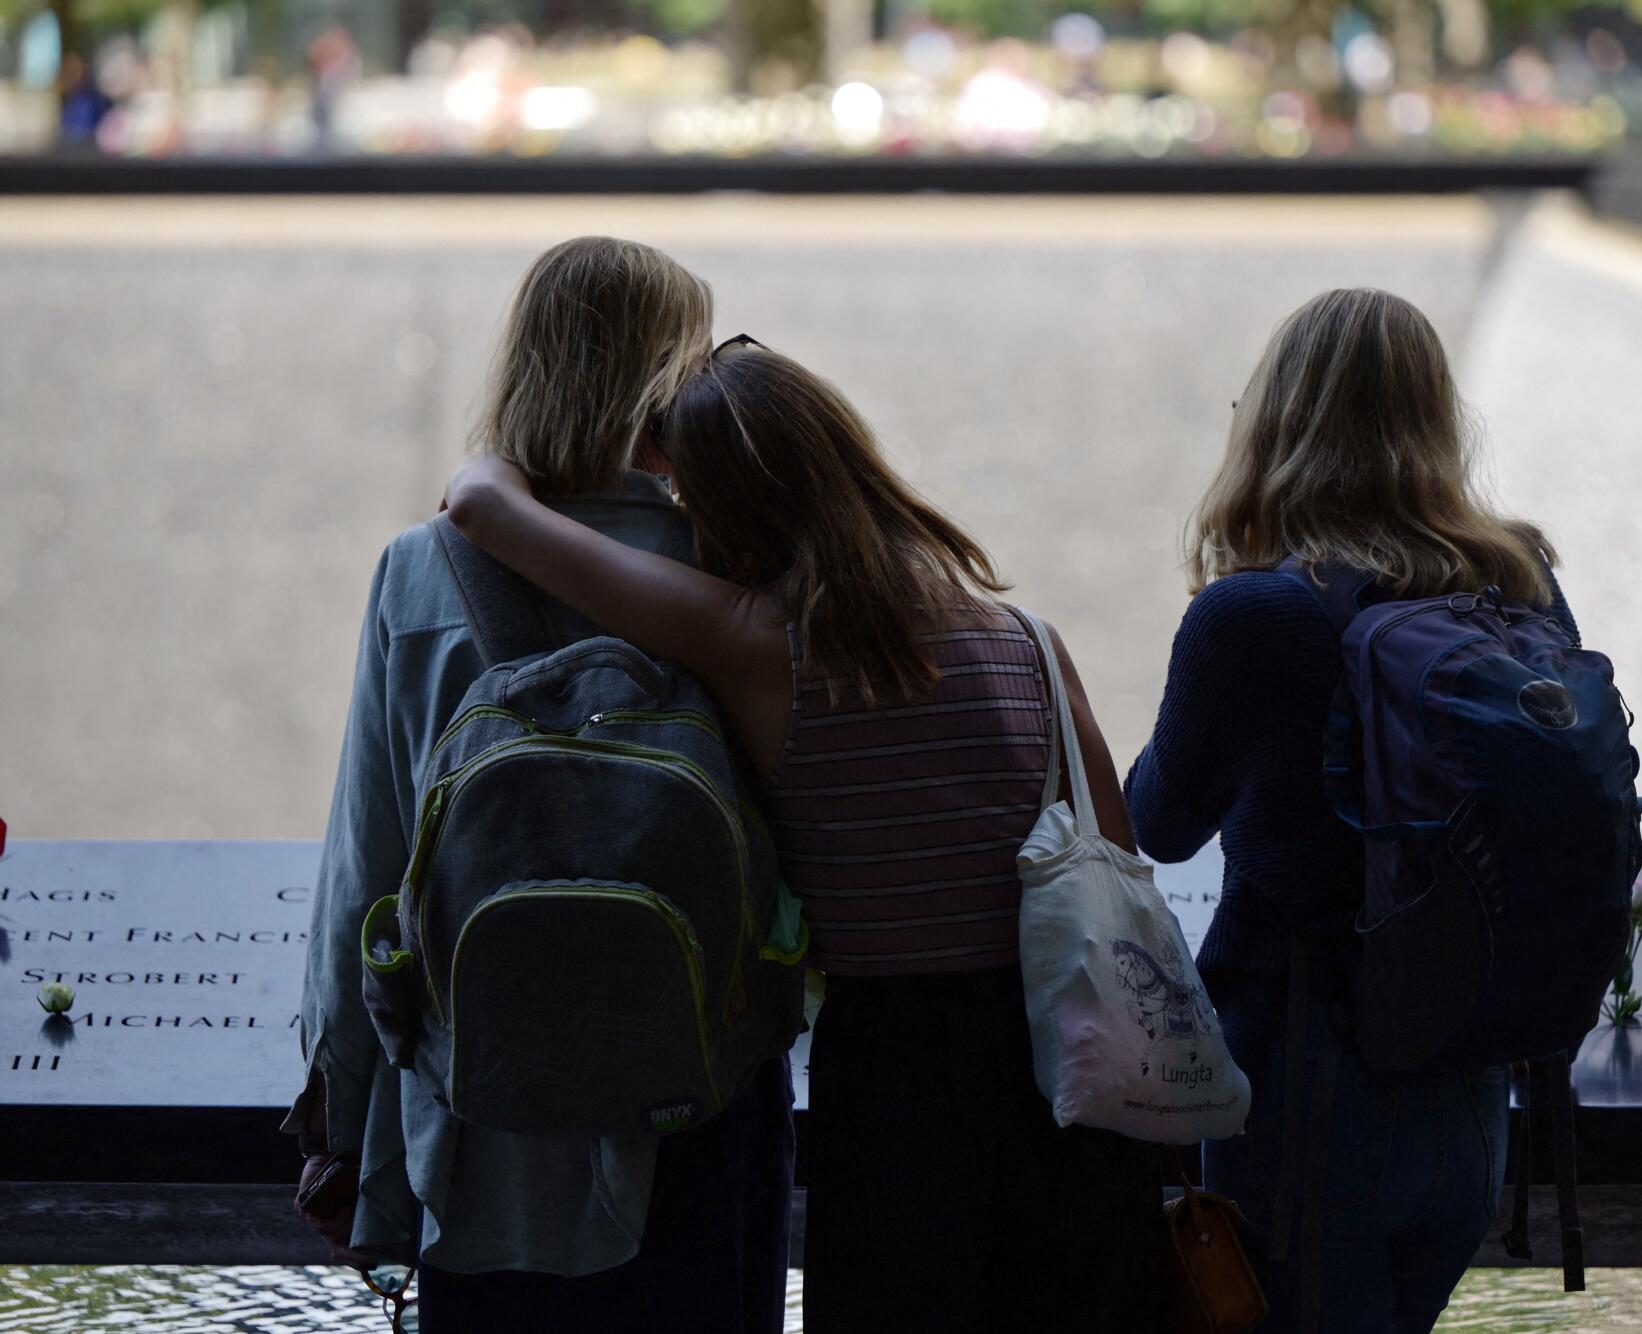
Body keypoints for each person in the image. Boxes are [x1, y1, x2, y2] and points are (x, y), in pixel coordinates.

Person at [445, 337, 1163, 1333]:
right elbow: (1119, 865)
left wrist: (514, 443)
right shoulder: (1026, 641)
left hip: (895, 1066)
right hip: (1068, 1058)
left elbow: (481, 510)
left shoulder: (757, 643)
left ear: (731, 508)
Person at [290, 237, 796, 1333]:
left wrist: (339, 1104)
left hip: (482, 1113)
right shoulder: (737, 566)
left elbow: (367, 861)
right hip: (699, 1102)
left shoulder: (422, 568)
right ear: (671, 380)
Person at [1125, 288, 1576, 1332]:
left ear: (1271, 423)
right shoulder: (1519, 579)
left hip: (1304, 1088)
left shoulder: (1252, 612)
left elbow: (1158, 822)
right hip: (1468, 1088)